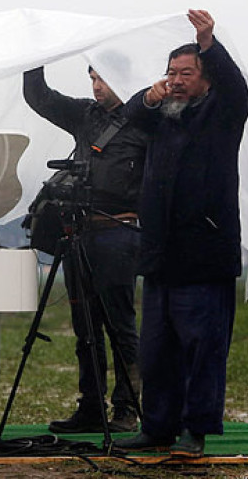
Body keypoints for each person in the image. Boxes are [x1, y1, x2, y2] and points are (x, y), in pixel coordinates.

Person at [113, 10, 248, 458]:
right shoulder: (163, 117)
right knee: (157, 351)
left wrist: (208, 42)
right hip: (160, 255)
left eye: (185, 72)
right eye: (170, 72)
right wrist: (148, 96)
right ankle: (157, 427)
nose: (175, 80)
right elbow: (131, 116)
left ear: (205, 79)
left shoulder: (222, 113)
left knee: (202, 350)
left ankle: (196, 431)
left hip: (204, 253)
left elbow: (236, 87)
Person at [23, 62, 147, 433]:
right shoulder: (84, 115)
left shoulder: (145, 121)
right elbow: (39, 98)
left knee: (120, 325)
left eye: (103, 78)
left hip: (119, 231)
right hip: (79, 233)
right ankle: (91, 407)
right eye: (92, 78)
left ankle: (128, 409)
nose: (96, 86)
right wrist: (34, 58)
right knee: (85, 326)